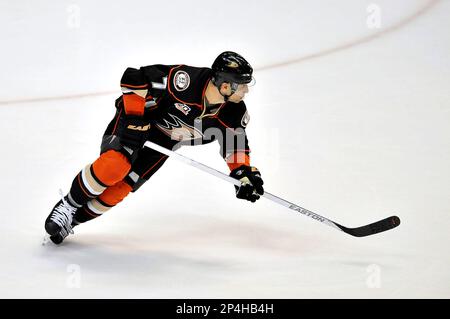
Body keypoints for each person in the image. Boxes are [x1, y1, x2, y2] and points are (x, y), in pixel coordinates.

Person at [44, 51, 265, 245]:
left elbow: (234, 144)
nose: (246, 90)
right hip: (138, 122)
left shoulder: (233, 111)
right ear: (225, 85)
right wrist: (134, 118)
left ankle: (72, 220)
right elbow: (133, 78)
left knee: (123, 187)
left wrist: (243, 173)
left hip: (163, 141)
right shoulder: (186, 81)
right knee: (115, 166)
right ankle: (69, 204)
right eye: (242, 84)